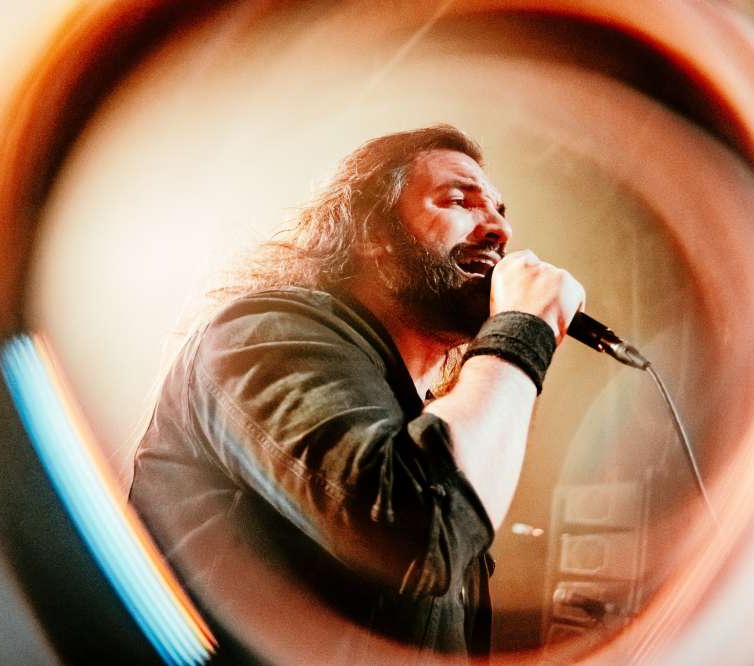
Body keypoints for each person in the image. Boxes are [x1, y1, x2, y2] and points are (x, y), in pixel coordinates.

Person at [128, 125, 584, 661]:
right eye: (459, 200)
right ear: (373, 232)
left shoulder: (429, 421)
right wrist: (524, 331)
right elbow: (426, 530)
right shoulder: (262, 335)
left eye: (501, 211)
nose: (498, 230)